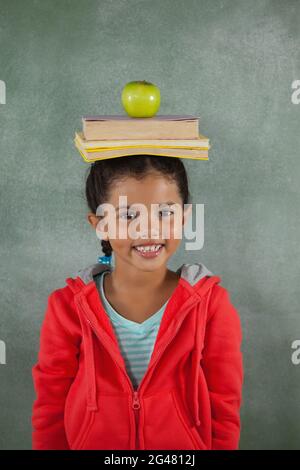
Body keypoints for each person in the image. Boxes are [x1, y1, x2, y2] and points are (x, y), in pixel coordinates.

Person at [31, 154, 243, 450]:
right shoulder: (67, 308)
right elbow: (50, 409)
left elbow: (224, 407)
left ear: (184, 217)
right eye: (128, 215)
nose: (149, 229)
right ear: (100, 224)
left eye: (165, 213)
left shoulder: (211, 306)